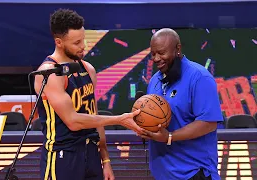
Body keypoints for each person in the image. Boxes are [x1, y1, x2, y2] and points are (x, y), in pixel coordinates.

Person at [34, 9, 142, 180]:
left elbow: (94, 116)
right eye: (76, 42)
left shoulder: (88, 69)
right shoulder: (50, 73)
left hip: (91, 153)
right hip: (64, 155)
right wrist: (119, 119)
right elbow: (73, 122)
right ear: (59, 42)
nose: (83, 46)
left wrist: (105, 160)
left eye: (83, 40)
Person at [138, 28, 223, 180]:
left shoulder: (199, 77)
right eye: (153, 53)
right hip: (162, 173)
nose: (156, 58)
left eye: (162, 53)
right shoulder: (155, 80)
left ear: (177, 49)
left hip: (194, 172)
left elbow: (209, 123)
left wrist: (170, 136)